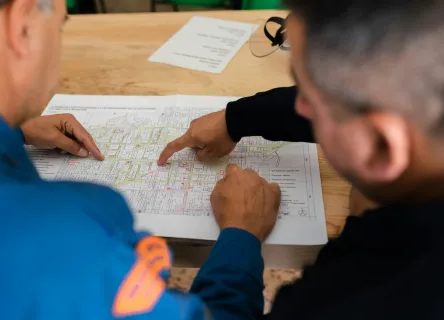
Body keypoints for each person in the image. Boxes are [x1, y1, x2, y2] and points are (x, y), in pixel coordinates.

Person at [0, 0, 280, 319]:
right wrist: (241, 237)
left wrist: (13, 128)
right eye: (60, 25)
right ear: (23, 25)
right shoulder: (69, 248)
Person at [160, 0, 444, 319]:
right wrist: (236, 119)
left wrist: (240, 237)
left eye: (308, 97)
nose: (299, 109)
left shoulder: (358, 298)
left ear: (381, 148)